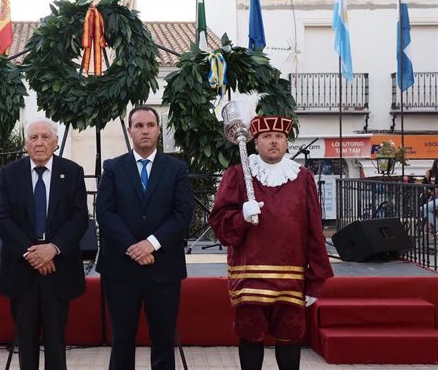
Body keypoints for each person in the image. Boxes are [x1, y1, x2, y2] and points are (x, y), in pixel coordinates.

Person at [209, 115, 334, 370]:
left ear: (287, 142)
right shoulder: (237, 175)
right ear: (256, 143)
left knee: (289, 340)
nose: (274, 142)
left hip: (292, 276)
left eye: (279, 137)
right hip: (249, 276)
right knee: (250, 337)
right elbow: (220, 224)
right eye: (266, 137)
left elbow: (314, 231)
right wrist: (241, 215)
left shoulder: (302, 177)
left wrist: (315, 280)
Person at [96, 105, 194, 370]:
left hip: (163, 268)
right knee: (122, 337)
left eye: (150, 125)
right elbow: (104, 212)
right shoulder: (114, 168)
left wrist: (151, 243)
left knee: (163, 338)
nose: (145, 131)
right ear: (130, 131)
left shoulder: (176, 169)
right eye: (138, 126)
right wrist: (133, 246)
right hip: (121, 268)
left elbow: (183, 212)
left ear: (159, 130)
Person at [0, 117, 88, 370]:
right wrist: (32, 253)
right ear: (25, 144)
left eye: (45, 137)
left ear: (55, 142)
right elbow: (3, 219)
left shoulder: (72, 172)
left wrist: (53, 249)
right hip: (21, 269)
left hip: (59, 269)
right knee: (25, 341)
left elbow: (79, 219)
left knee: (57, 340)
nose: (39, 143)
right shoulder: (10, 173)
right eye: (33, 138)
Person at [421, 158, 438, 234]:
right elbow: (425, 184)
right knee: (425, 209)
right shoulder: (431, 173)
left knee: (425, 209)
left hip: (435, 197)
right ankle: (434, 229)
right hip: (432, 196)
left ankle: (435, 228)